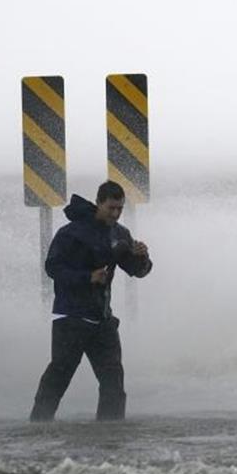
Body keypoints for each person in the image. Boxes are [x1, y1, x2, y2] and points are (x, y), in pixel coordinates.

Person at [29, 180, 152, 422]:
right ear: (98, 203)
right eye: (111, 208)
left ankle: (110, 432)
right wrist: (87, 277)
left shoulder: (120, 234)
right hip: (71, 319)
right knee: (58, 377)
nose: (115, 214)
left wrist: (142, 257)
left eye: (119, 208)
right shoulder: (71, 233)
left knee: (113, 382)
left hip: (102, 320)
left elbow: (136, 271)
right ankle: (38, 427)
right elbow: (52, 268)